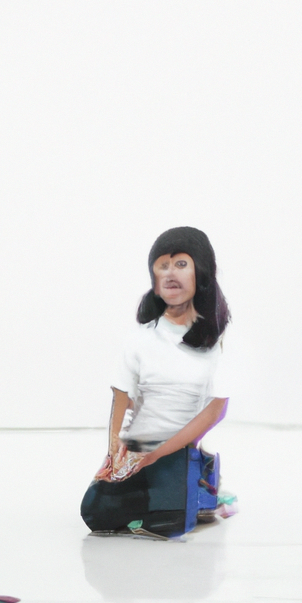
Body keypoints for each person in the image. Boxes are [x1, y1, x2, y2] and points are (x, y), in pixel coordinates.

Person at [80, 226, 231, 538]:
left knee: (170, 523)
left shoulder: (220, 341)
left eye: (180, 264)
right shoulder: (139, 339)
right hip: (139, 447)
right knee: (96, 512)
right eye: (162, 266)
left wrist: (158, 453)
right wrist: (114, 455)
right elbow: (122, 400)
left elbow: (214, 411)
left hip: (178, 446)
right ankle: (157, 494)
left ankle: (203, 480)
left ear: (201, 271)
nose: (170, 274)